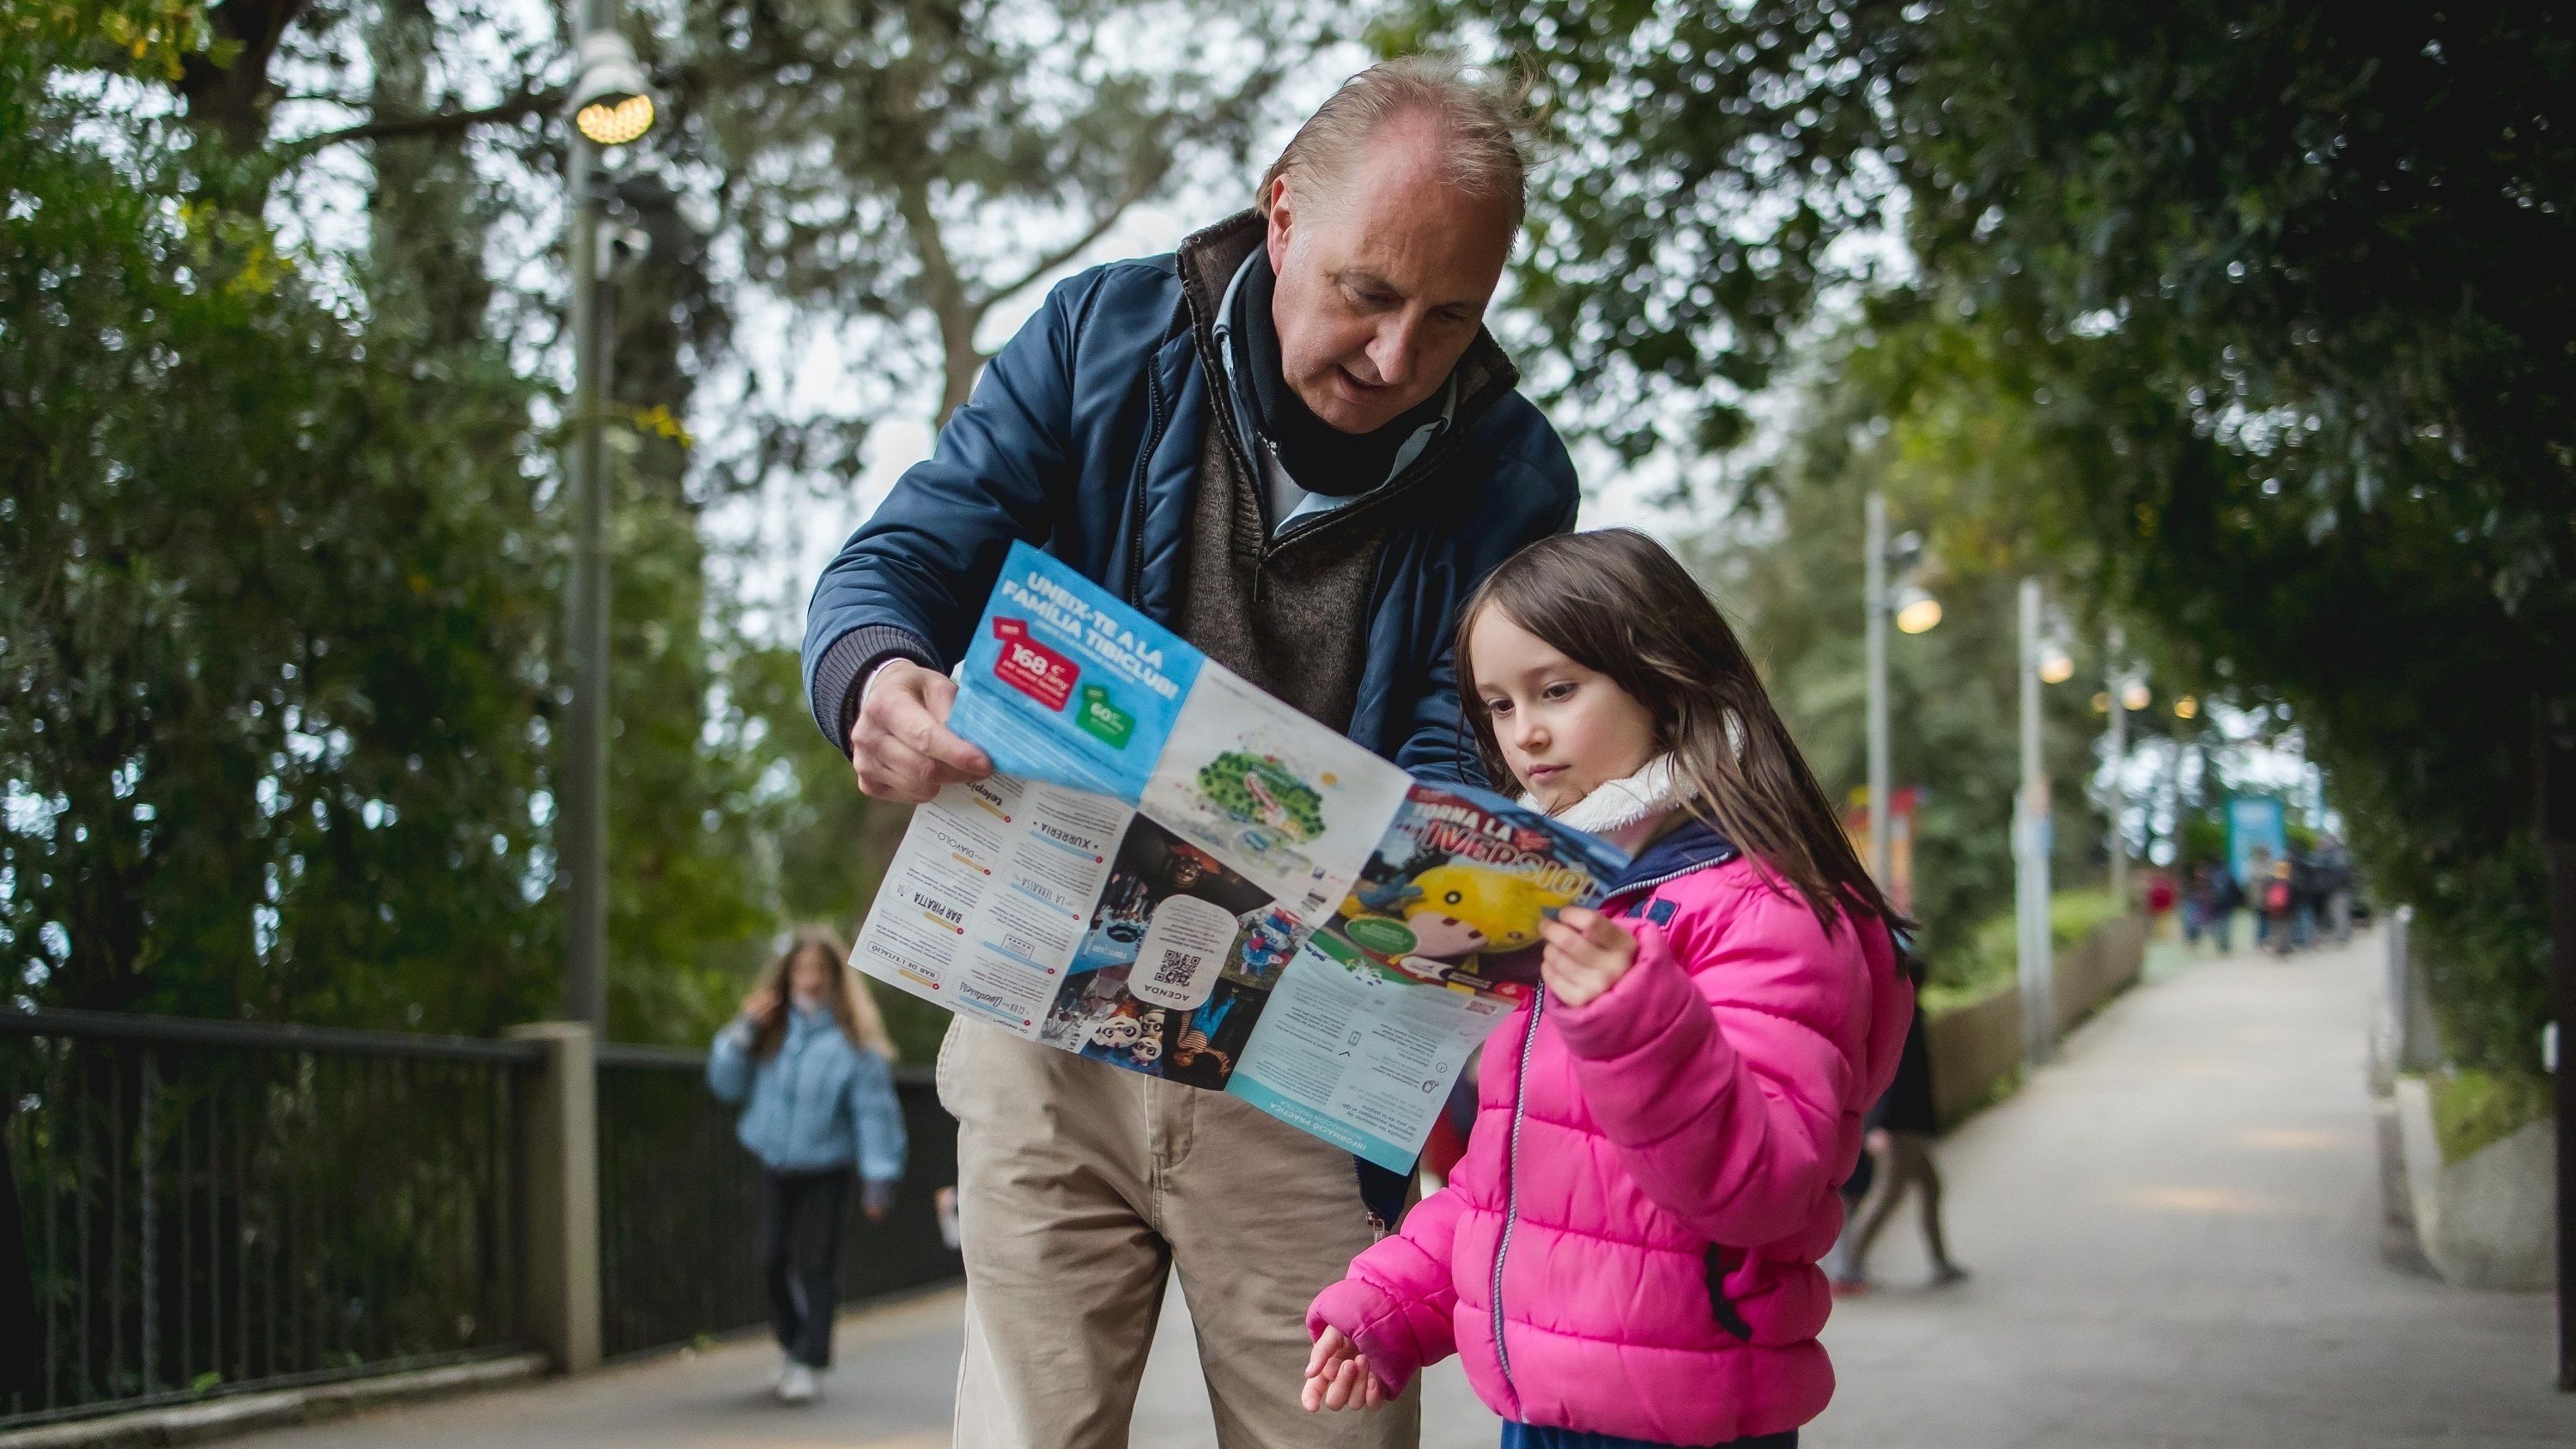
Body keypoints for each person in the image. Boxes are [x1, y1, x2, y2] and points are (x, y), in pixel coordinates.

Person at [799, 56, 1578, 1449]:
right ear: (1281, 218)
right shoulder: (1098, 336)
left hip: (1306, 1068)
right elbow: (900, 561)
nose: (1398, 356)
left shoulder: (1516, 471)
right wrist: (876, 676)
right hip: (1048, 1019)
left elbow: (1474, 749)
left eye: (1450, 314)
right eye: (1368, 292)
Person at [1302, 530, 1915, 1449]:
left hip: (1680, 1416)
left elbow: (1770, 1191)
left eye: (1557, 689)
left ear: (1665, 680)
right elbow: (1521, 1181)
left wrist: (1636, 1022)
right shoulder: (1556, 898)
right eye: (1498, 705)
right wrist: (1389, 1300)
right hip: (1544, 1406)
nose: (1526, 733)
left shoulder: (1766, 907)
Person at [708, 927, 909, 1405]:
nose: (810, 979)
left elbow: (875, 1113)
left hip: (827, 1167)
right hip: (776, 1163)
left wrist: (878, 1178)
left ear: (834, 978)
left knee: (819, 1263)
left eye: (819, 970)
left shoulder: (853, 1041)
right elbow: (724, 1085)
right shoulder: (769, 1030)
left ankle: (807, 1361)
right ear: (788, 974)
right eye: (802, 968)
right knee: (769, 1258)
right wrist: (741, 1029)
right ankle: (792, 1344)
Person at [1834, 1004, 1965, 1293]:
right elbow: (1889, 1077)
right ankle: (1847, 1268)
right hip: (1898, 1129)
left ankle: (1940, 1263)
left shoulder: (1907, 1014)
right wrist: (1878, 1126)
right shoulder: (1900, 1018)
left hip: (1909, 1127)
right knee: (1886, 1198)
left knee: (1931, 1188)